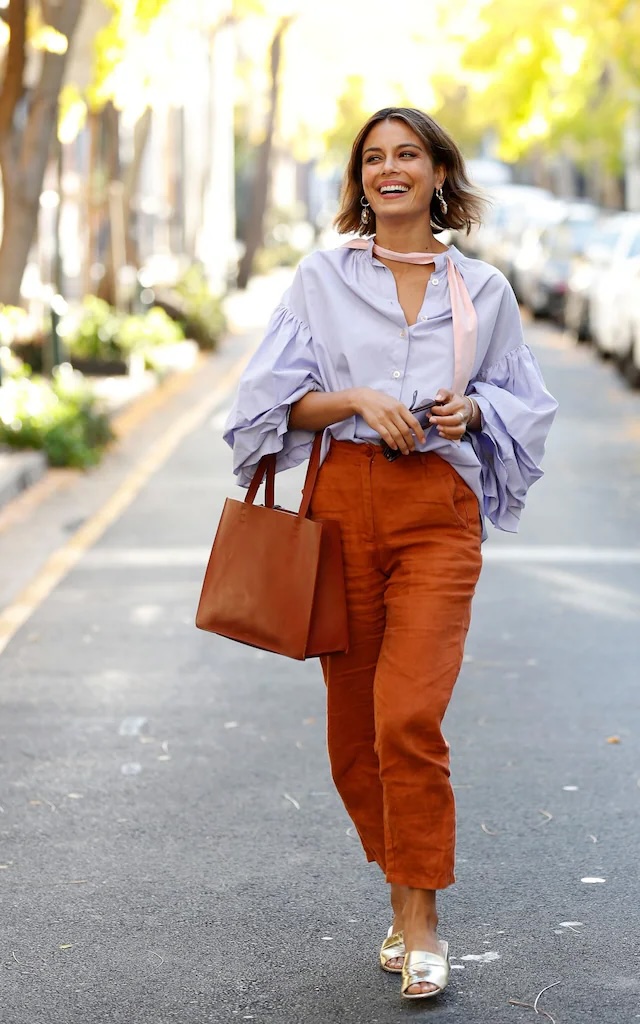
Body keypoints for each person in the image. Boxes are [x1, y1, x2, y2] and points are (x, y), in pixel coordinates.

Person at [223, 106, 558, 1001]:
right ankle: (402, 887)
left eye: (407, 154)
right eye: (374, 158)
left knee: (407, 714)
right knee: (352, 735)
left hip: (436, 512)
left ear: (440, 173)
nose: (390, 169)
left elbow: (522, 400)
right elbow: (267, 405)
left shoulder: (481, 290)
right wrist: (356, 400)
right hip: (340, 507)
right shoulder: (322, 280)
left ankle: (422, 919)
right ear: (360, 182)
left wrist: (471, 412)